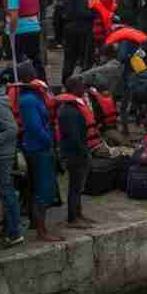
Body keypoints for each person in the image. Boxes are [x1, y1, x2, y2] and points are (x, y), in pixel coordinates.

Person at [10, 63, 62, 243]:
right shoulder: (29, 100)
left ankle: (36, 224)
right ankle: (41, 231)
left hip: (35, 146)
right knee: (44, 189)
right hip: (38, 149)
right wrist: (49, 142)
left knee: (36, 187)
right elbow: (34, 127)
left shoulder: (29, 97)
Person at [56, 76, 99, 229]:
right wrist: (84, 152)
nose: (84, 89)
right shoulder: (69, 111)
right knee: (75, 186)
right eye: (81, 87)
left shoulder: (73, 107)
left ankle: (78, 214)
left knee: (79, 186)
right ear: (74, 89)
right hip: (75, 154)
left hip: (79, 151)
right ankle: (72, 218)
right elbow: (74, 136)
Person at [0, 79, 24, 248]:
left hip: (2, 155)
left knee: (6, 192)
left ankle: (15, 232)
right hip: (0, 154)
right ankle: (10, 228)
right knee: (4, 191)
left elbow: (12, 129)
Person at [2, 0, 44, 81]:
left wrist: (11, 31)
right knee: (36, 59)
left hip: (20, 31)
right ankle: (42, 82)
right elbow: (37, 9)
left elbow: (14, 16)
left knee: (20, 61)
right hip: (35, 27)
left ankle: (24, 84)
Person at [60, 0, 96, 85]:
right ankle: (82, 82)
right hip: (82, 29)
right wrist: (93, 13)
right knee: (86, 59)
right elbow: (82, 12)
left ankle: (66, 82)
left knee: (69, 58)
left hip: (69, 28)